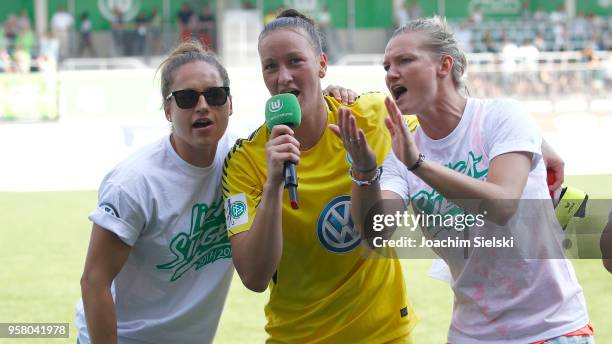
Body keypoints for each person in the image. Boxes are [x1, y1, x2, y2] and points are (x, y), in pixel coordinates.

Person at [334, 16, 593, 344]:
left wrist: (419, 165)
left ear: (444, 65)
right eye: (386, 66)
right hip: (470, 335)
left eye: (405, 60)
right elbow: (375, 232)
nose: (391, 74)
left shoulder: (500, 118)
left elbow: (502, 204)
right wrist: (364, 173)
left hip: (551, 329)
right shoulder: (401, 155)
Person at [222, 9, 419, 343]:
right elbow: (254, 277)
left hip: (384, 332)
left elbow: (450, 123)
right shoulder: (245, 162)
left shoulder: (369, 116)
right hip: (297, 336)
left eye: (295, 61)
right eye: (271, 66)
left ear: (322, 65)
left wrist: (527, 139)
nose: (283, 77)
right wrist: (273, 186)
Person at [76, 41, 235, 344]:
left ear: (229, 103)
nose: (203, 106)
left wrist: (333, 97)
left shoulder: (244, 161)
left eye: (214, 95)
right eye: (187, 98)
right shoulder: (135, 183)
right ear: (168, 110)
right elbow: (94, 281)